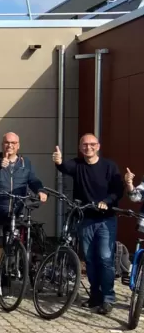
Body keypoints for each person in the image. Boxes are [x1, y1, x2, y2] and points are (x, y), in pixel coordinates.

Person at [53, 135, 123, 315]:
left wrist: (106, 201)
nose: (88, 147)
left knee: (105, 259)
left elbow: (118, 190)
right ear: (80, 147)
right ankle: (95, 296)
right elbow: (63, 167)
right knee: (90, 260)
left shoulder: (109, 166)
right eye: (85, 145)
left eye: (92, 144)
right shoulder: (77, 165)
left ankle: (108, 298)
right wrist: (58, 162)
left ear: (98, 146)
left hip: (105, 220)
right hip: (85, 219)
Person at [0, 132, 47, 297]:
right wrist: (1, 164)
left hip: (15, 214)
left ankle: (5, 285)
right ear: (2, 144)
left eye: (14, 143)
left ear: (18, 145)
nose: (10, 145)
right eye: (7, 142)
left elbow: (33, 180)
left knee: (10, 250)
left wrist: (40, 190)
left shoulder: (25, 163)